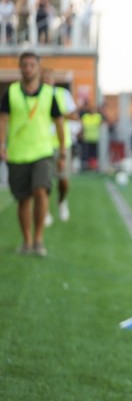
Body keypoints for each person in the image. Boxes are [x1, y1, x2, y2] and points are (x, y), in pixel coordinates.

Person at [0, 51, 64, 256]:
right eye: (24, 65)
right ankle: (27, 241)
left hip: (42, 151)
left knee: (40, 191)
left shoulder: (49, 93)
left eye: (31, 65)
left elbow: (59, 121)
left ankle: (39, 239)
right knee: (23, 199)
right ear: (20, 67)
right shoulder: (11, 93)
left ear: (38, 67)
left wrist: (62, 149)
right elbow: (3, 120)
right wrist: (2, 144)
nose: (28, 68)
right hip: (18, 153)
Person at [41, 67, 78, 225]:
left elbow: (74, 115)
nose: (47, 82)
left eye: (49, 79)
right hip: (43, 144)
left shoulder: (63, 94)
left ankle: (62, 201)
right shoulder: (37, 96)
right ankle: (45, 210)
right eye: (44, 79)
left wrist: (57, 113)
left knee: (63, 180)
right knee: (44, 181)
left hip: (62, 143)